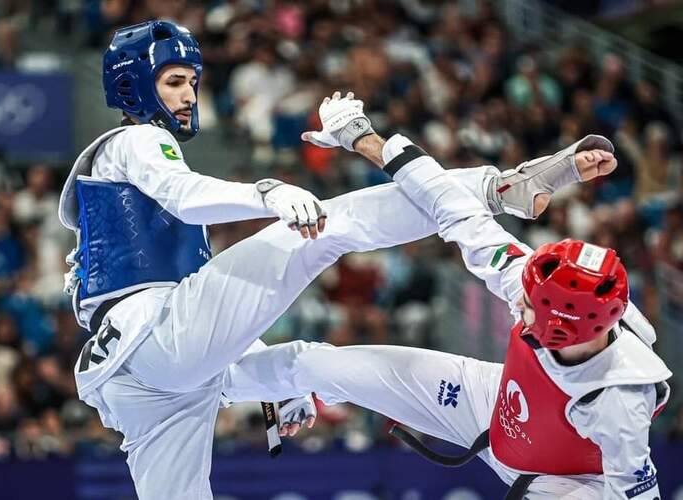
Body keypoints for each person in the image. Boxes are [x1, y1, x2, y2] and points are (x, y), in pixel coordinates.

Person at [60, 21, 483, 499]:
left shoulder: (134, 181)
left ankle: (286, 383)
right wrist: (268, 191)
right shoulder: (136, 141)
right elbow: (184, 196)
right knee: (323, 228)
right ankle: (481, 191)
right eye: (174, 81)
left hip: (137, 378)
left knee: (297, 366)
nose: (189, 96)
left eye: (194, 83)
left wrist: (273, 383)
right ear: (133, 86)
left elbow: (210, 315)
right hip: (155, 338)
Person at [223, 93, 672, 499]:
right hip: (493, 403)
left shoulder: (618, 402)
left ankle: (514, 187)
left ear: (562, 324)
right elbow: (454, 211)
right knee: (315, 366)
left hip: (562, 484)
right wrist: (360, 135)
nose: (518, 301)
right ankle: (205, 384)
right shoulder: (543, 287)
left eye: (529, 306)